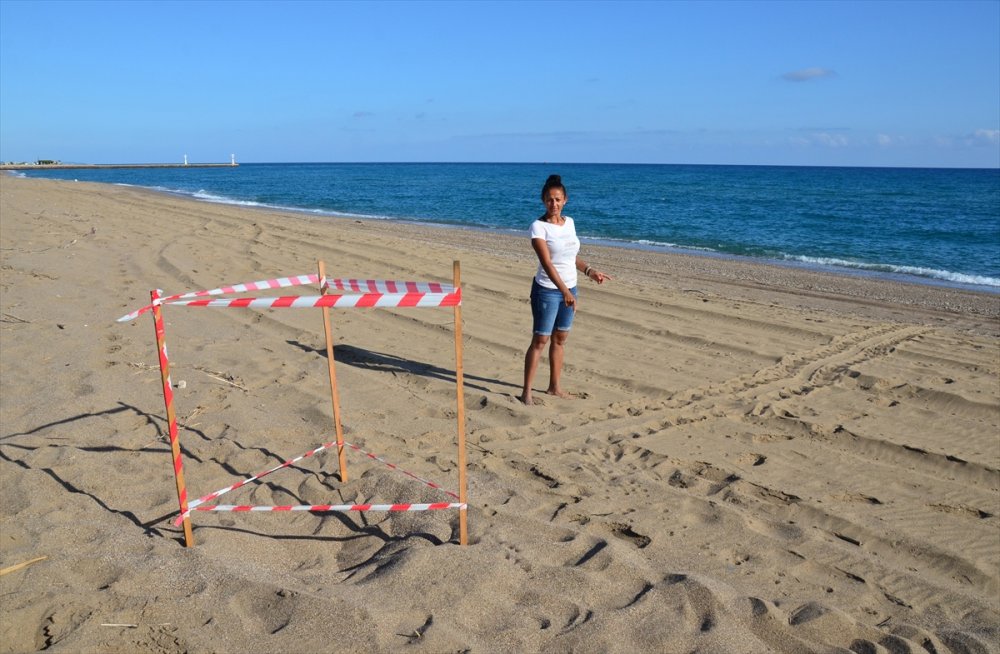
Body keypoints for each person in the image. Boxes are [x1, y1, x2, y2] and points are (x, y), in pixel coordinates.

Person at [520, 174, 610, 405]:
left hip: (570, 288)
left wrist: (590, 271)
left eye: (558, 199)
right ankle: (526, 392)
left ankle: (554, 387)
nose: (554, 204)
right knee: (540, 340)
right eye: (550, 200)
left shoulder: (569, 223)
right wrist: (564, 292)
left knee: (560, 339)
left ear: (565, 200)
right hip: (547, 290)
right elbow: (548, 264)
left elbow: (571, 257)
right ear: (543, 200)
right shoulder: (538, 227)